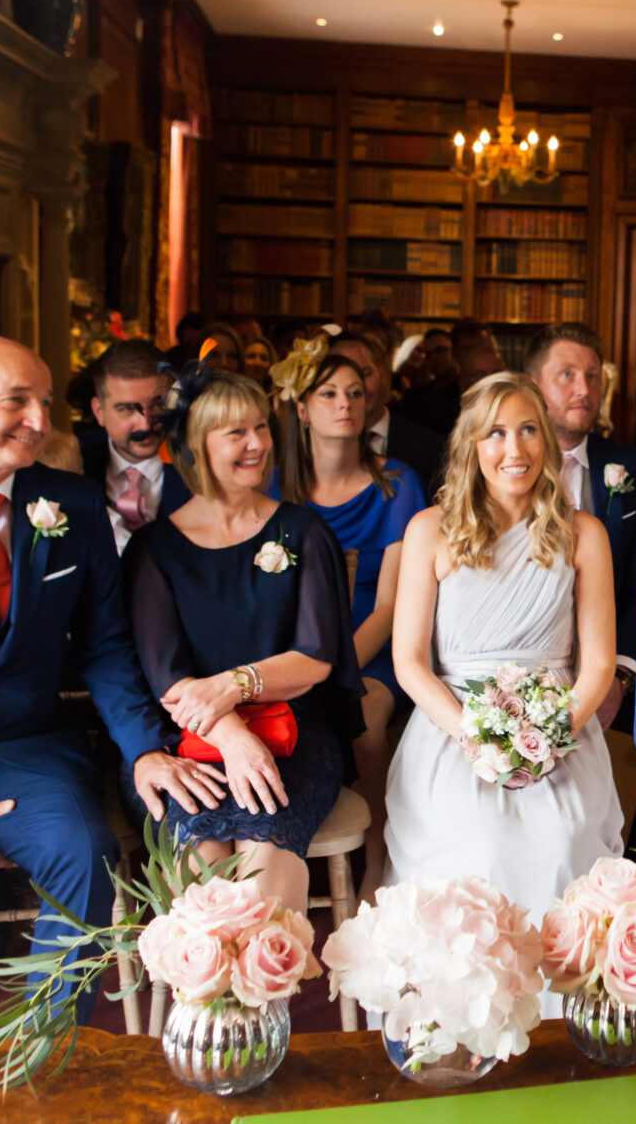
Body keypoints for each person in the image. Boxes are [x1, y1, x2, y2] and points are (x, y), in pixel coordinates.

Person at [0, 336, 214, 1019]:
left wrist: (143, 748)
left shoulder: (73, 505)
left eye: (45, 403)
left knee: (86, 854)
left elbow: (106, 648)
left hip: (23, 754)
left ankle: (44, 1070)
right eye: (15, 402)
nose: (41, 422)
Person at [382, 373, 624, 1015]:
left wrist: (548, 740)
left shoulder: (584, 535)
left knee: (560, 844)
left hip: (556, 727)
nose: (513, 448)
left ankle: (561, 1020)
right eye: (495, 432)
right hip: (452, 729)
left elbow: (596, 664)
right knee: (475, 849)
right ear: (471, 445)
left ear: (545, 441)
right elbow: (409, 664)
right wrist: (476, 739)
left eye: (526, 430)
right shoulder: (429, 531)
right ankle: (466, 1023)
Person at [123, 364, 364, 914]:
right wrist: (230, 733)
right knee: (202, 847)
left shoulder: (304, 532)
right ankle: (201, 990)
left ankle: (263, 990)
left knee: (261, 842)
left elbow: (316, 658)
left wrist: (235, 686)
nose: (256, 443)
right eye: (236, 433)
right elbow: (165, 675)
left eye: (260, 427)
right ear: (194, 445)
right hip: (182, 740)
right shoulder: (154, 550)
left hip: (295, 731)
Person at [271, 342, 424, 904]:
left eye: (355, 393)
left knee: (365, 718)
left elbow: (390, 605)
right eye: (329, 393)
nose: (345, 404)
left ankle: (376, 866)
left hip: (371, 645)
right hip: (288, 646)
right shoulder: (273, 483)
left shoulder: (396, 484)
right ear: (301, 407)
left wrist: (329, 668)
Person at [524, 322, 636, 850]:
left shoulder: (635, 470)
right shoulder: (501, 469)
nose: (585, 389)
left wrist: (620, 675)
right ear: (533, 385)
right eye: (567, 376)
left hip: (617, 664)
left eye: (593, 376)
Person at [81, 339, 191, 554]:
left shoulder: (197, 460)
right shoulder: (74, 461)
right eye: (127, 409)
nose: (145, 424)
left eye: (159, 404)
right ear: (99, 411)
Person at [329, 330, 442, 499]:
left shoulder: (430, 446)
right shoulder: (307, 449)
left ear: (381, 373)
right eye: (340, 377)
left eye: (364, 373)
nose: (356, 387)